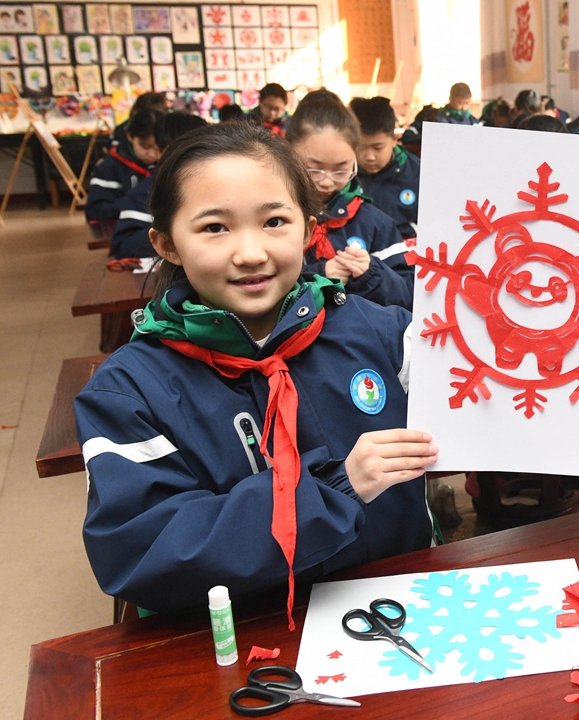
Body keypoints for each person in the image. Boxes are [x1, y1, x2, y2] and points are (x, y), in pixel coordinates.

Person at [76, 122, 438, 618]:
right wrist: (334, 490)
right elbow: (139, 552)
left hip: (401, 610)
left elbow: (496, 401)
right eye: (214, 228)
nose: (251, 253)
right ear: (166, 244)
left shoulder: (382, 334)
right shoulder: (129, 392)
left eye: (274, 222)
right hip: (237, 647)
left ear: (310, 231)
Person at [287, 90, 414, 308]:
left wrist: (371, 272)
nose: (327, 182)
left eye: (341, 170)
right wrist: (317, 274)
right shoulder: (272, 218)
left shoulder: (374, 223)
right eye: (314, 169)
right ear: (288, 152)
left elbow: (408, 295)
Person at [110, 112, 209, 259]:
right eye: (182, 154)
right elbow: (123, 245)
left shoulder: (221, 187)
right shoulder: (147, 192)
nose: (192, 162)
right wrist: (178, 235)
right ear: (160, 152)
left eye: (202, 153)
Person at [349, 96, 420, 239]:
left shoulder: (418, 174)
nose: (369, 156)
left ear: (394, 140)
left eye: (378, 147)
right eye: (360, 147)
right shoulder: (343, 176)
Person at [86, 107, 164, 222]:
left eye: (159, 148)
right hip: (127, 229)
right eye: (145, 146)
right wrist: (134, 202)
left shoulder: (167, 162)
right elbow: (95, 212)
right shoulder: (110, 167)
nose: (152, 154)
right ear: (130, 136)